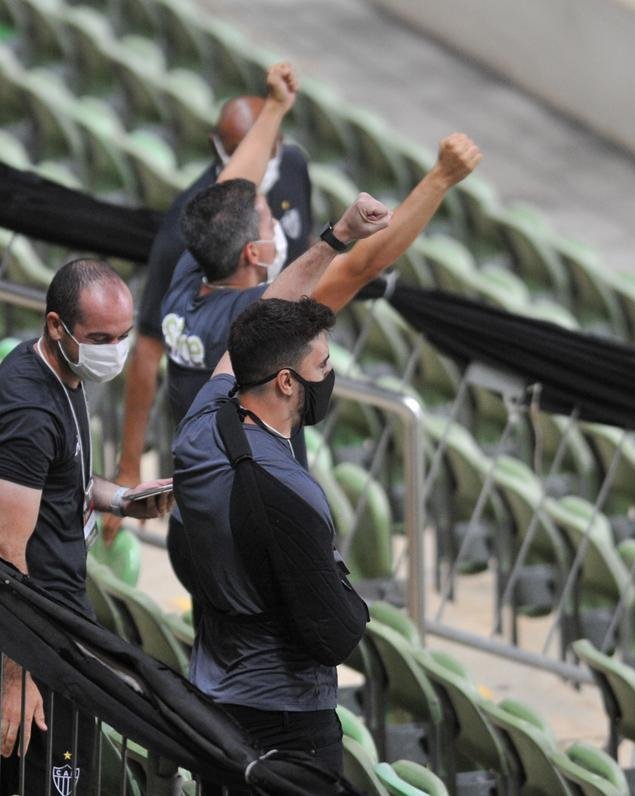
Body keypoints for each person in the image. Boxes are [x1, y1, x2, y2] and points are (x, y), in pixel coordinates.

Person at [169, 210, 395, 777]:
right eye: (323, 364)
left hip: (214, 700)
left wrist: (337, 238)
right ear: (287, 381)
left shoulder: (200, 428)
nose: (331, 373)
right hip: (288, 721)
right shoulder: (292, 489)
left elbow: (262, 315)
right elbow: (332, 632)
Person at [0, 260, 174, 795]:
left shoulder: (61, 374)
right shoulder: (29, 411)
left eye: (123, 336)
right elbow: (4, 550)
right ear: (57, 325)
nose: (116, 351)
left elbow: (61, 480)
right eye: (101, 337)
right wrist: (19, 674)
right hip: (28, 641)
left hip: (52, 631)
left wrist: (120, 500)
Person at [104, 67, 313, 547]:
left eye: (271, 141)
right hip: (227, 445)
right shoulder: (189, 234)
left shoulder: (295, 168)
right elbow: (146, 352)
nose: (268, 158)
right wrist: (130, 464)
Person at [160, 131, 484, 437]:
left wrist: (275, 105)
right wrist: (441, 177)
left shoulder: (187, 275)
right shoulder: (258, 319)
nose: (277, 223)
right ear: (252, 252)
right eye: (268, 221)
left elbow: (226, 192)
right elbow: (362, 265)